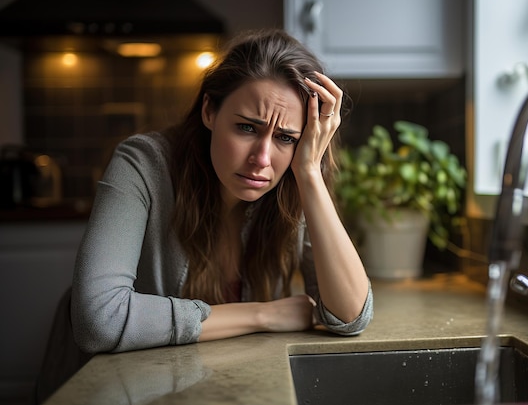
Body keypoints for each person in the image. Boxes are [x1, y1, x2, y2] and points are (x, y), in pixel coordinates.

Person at [37, 28, 373, 401]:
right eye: (247, 127)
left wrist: (309, 173)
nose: (261, 160)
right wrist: (262, 315)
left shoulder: (295, 178)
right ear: (210, 111)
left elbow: (350, 318)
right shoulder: (143, 164)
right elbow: (98, 321)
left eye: (285, 138)